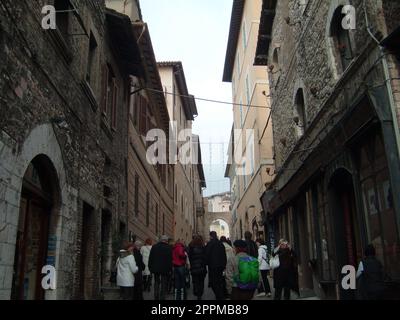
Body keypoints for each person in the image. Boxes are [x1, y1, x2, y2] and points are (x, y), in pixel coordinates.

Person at [148, 235, 173, 300]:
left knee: (156, 282)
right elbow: (170, 259)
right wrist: (170, 268)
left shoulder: (154, 247)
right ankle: (162, 296)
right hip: (165, 268)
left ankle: (156, 296)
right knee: (164, 282)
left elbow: (151, 258)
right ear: (166, 241)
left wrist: (150, 267)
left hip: (156, 268)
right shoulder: (169, 248)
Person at [205, 231, 227, 300]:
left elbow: (207, 255)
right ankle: (219, 296)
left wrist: (207, 263)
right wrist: (224, 264)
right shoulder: (221, 244)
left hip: (213, 266)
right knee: (219, 281)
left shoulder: (209, 244)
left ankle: (220, 296)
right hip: (220, 266)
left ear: (211, 236)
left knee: (214, 283)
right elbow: (224, 255)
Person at [188, 235, 207, 300]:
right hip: (202, 267)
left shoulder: (191, 247)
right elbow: (205, 258)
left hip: (194, 267)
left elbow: (189, 257)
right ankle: (200, 294)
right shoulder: (203, 247)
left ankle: (196, 291)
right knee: (201, 281)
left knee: (195, 281)